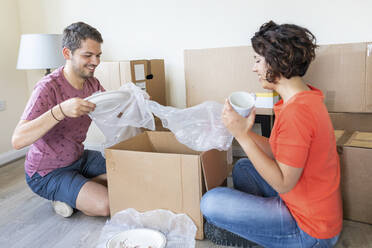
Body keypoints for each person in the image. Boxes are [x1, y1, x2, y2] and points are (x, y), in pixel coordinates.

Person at [200, 21, 342, 248]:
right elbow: (280, 148)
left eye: (257, 60)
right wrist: (241, 130)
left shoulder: (297, 113)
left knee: (210, 203)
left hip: (310, 231)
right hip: (307, 205)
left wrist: (243, 137)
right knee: (243, 167)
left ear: (277, 62)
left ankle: (263, 231)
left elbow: (284, 183)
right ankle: (263, 226)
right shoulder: (304, 98)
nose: (254, 68)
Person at [12, 22, 109, 218]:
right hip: (47, 172)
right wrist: (60, 110)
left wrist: (134, 101)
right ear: (67, 53)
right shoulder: (47, 88)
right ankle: (74, 189)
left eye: (98, 55)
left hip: (79, 157)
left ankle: (75, 189)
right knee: (106, 205)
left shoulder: (93, 83)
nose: (95, 61)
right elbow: (17, 140)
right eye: (88, 55)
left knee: (129, 168)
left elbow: (112, 109)